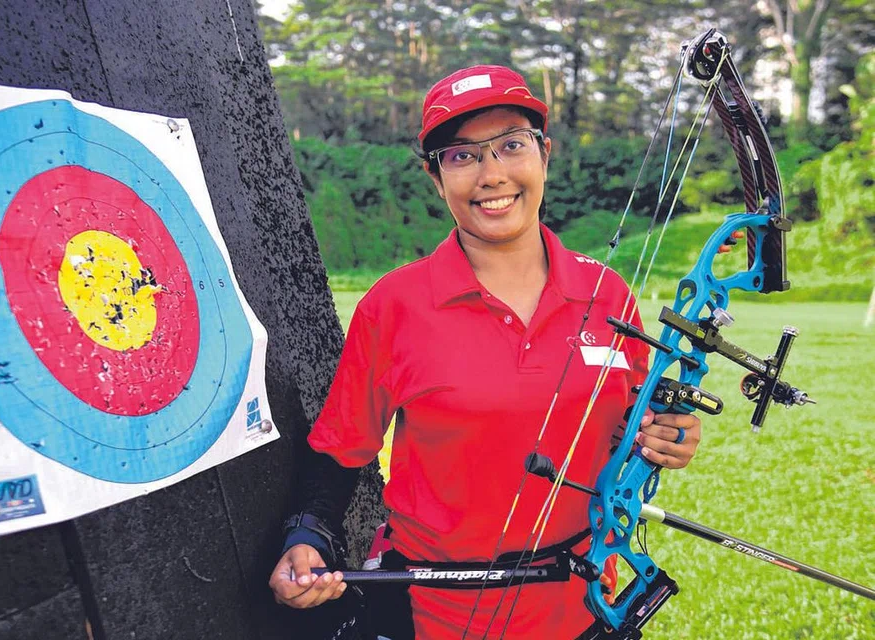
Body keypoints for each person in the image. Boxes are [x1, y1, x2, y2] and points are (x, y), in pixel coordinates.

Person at [269, 65, 703, 639]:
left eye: (511, 146)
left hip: (585, 605)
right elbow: (341, 447)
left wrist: (668, 435)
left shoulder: (609, 294)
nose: (492, 174)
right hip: (432, 611)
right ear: (436, 177)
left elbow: (634, 421)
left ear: (544, 155)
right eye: (463, 155)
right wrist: (307, 535)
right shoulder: (393, 304)